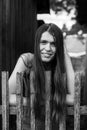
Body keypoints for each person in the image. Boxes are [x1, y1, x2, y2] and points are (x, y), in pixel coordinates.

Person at [9, 23, 75, 129]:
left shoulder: (60, 65)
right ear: (37, 43)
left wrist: (66, 55)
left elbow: (74, 98)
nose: (48, 48)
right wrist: (36, 100)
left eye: (54, 44)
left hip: (55, 126)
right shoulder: (27, 60)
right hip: (28, 126)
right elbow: (7, 97)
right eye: (43, 42)